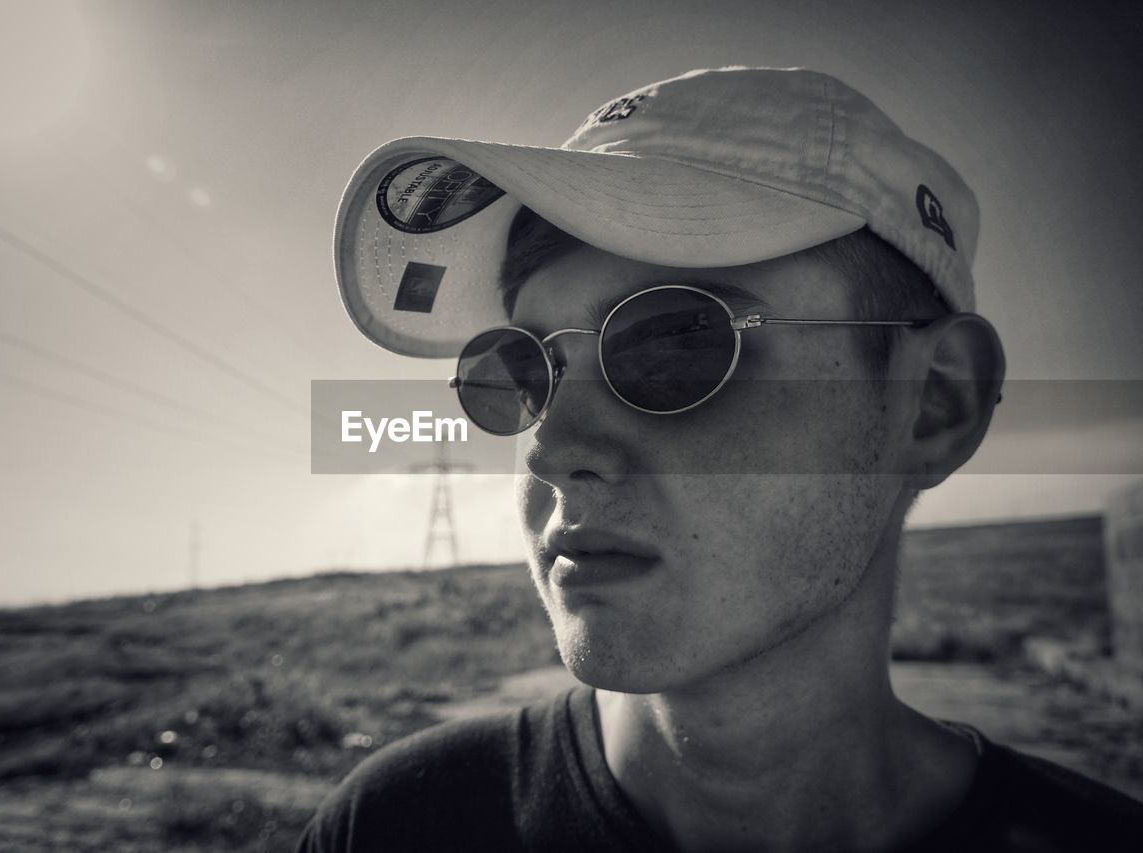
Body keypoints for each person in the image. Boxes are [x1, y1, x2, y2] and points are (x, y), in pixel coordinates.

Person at [300, 68, 1143, 852]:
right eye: (524, 367)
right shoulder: (398, 825)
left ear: (936, 403)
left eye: (675, 342)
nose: (554, 450)